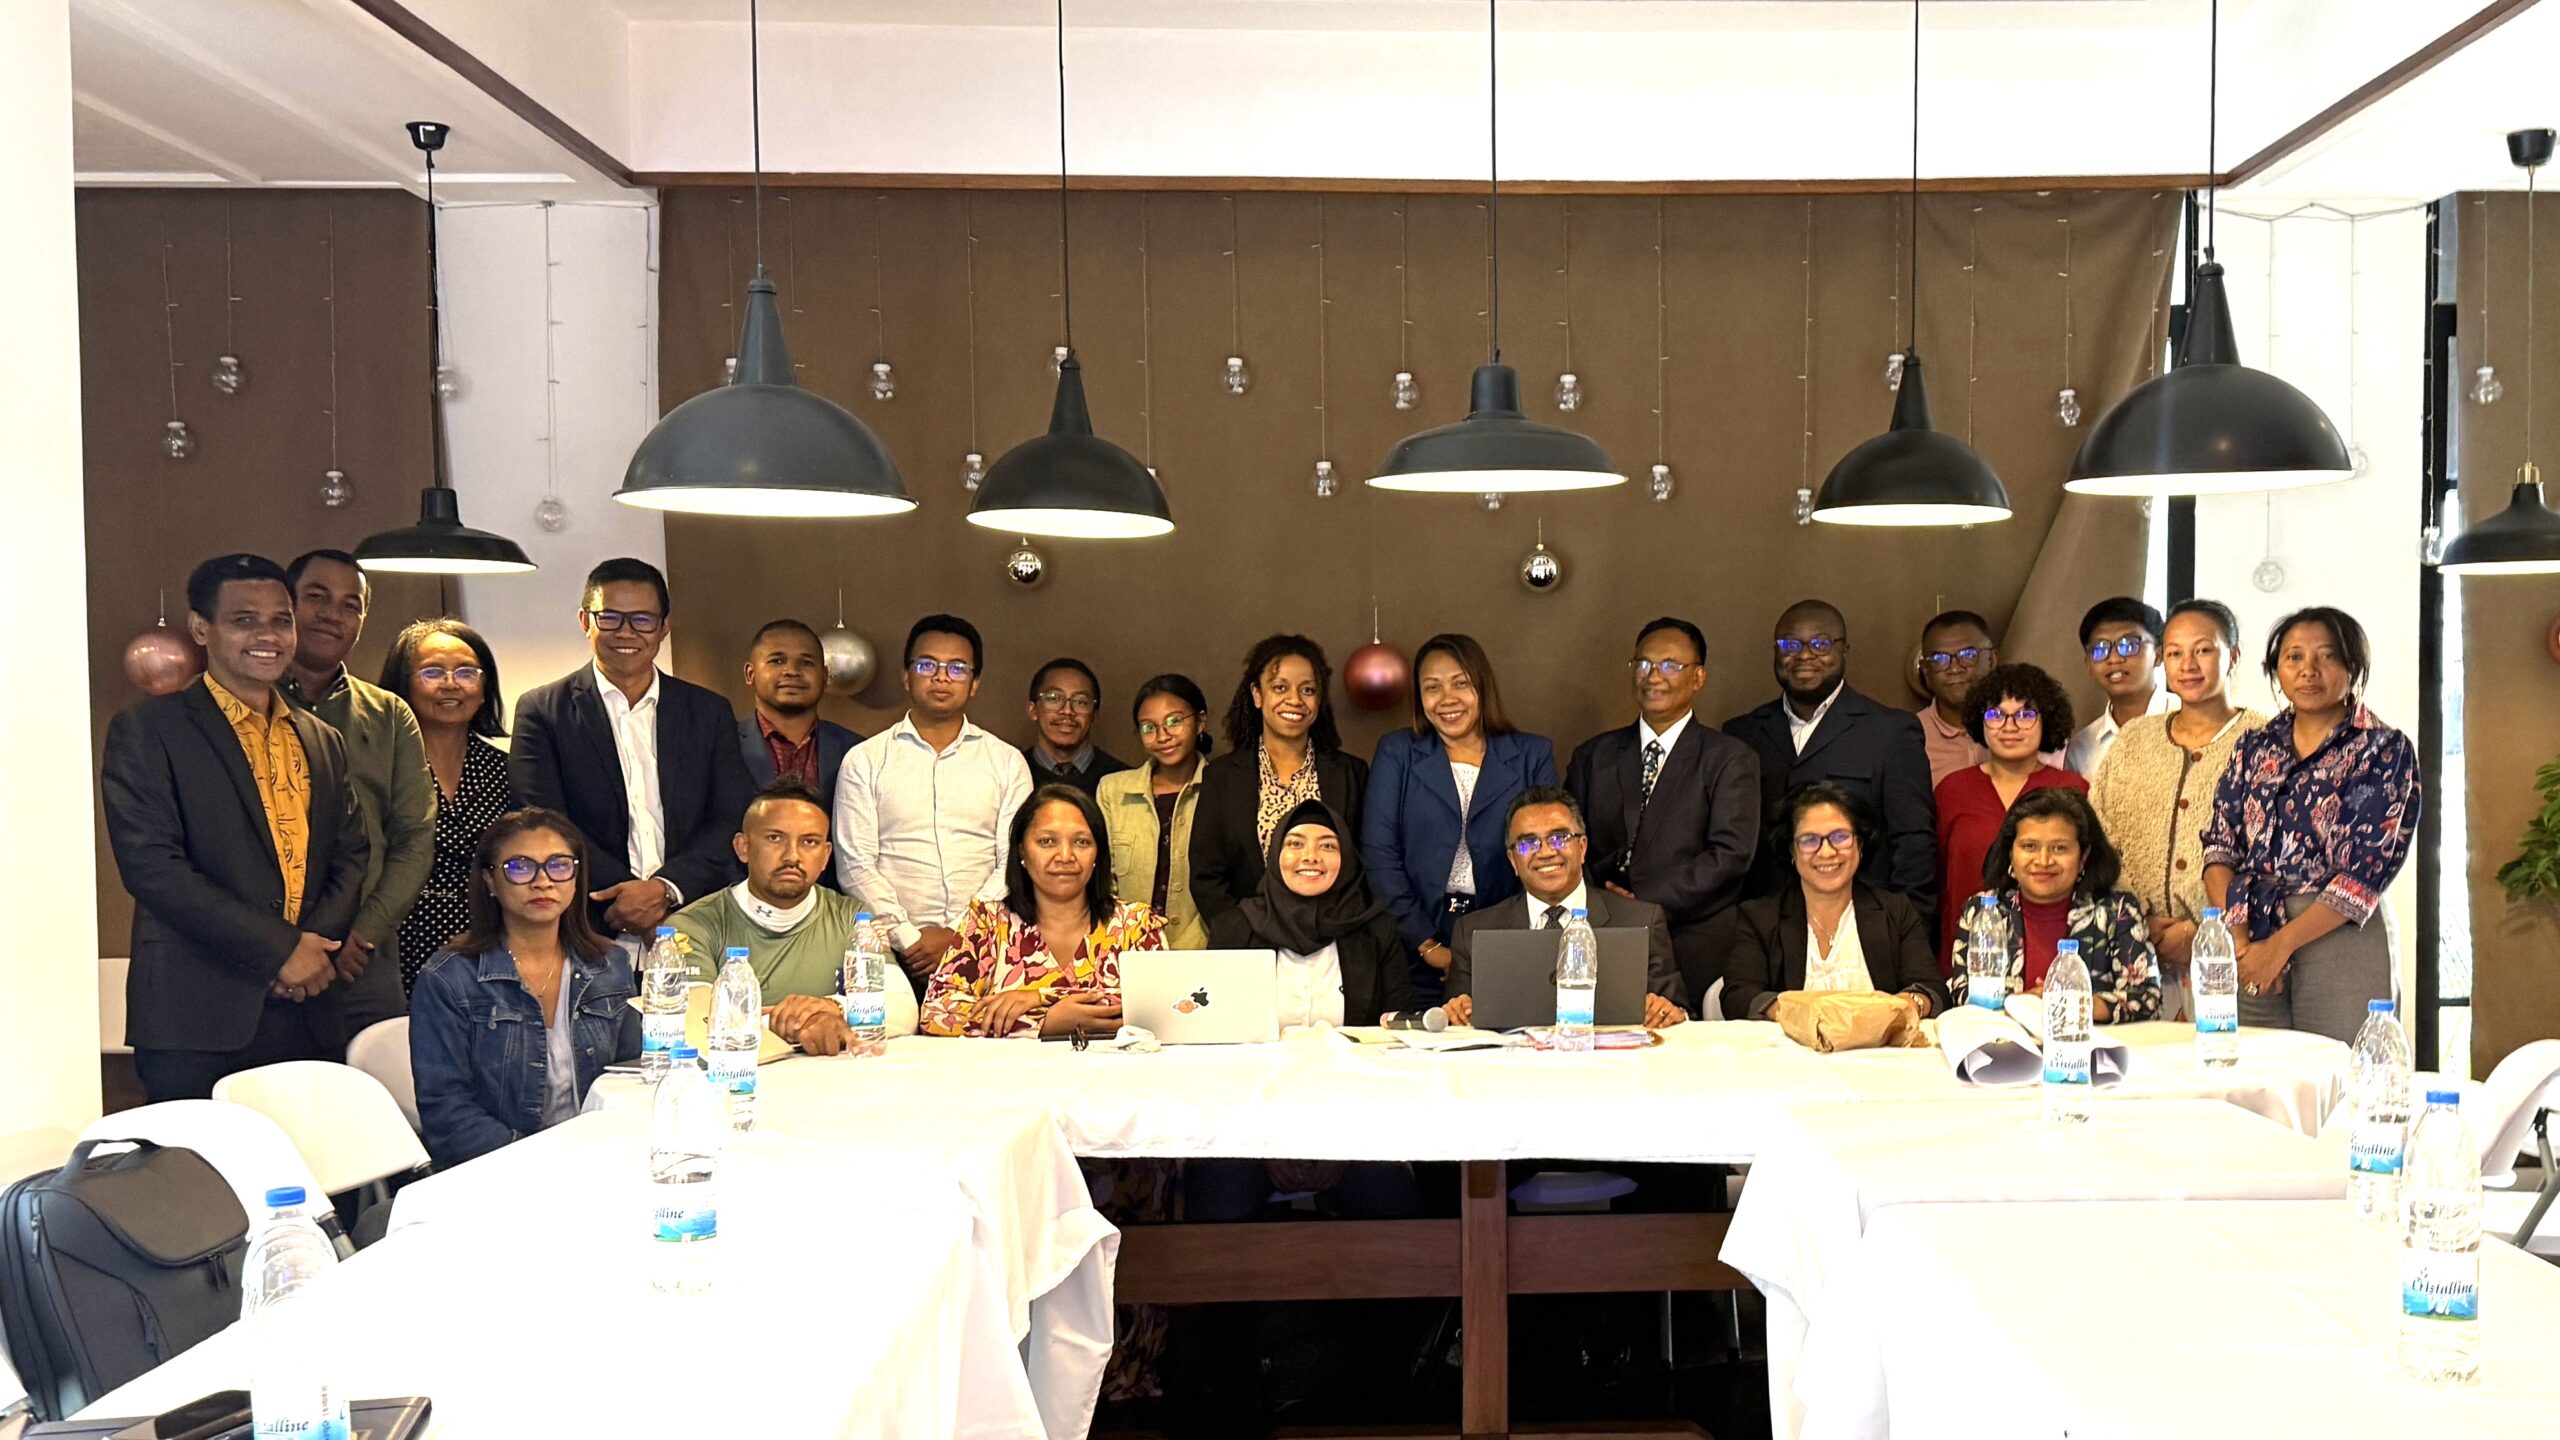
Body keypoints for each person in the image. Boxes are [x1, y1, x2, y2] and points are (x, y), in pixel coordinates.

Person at [102, 554, 372, 1101]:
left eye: (280, 620)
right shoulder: (150, 730)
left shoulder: (322, 739)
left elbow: (351, 854)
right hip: (199, 1014)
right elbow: (153, 868)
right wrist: (280, 951)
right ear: (201, 627)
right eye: (244, 620)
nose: (267, 636)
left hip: (309, 1007)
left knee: (315, 1157)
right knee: (202, 1159)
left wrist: (310, 953)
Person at [2202, 606, 2419, 1043]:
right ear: (2276, 669)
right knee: (2254, 1073)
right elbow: (2220, 847)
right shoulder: (2254, 746)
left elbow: (2364, 872)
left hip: (2337, 930)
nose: (2309, 670)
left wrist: (2280, 947)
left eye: (2328, 656)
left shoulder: (2382, 749)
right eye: (2294, 657)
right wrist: (2240, 941)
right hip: (2248, 925)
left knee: (2341, 1068)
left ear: (2353, 667)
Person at [511, 558, 755, 939]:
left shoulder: (709, 712)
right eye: (610, 618)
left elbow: (731, 815)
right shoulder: (542, 711)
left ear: (665, 627)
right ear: (585, 622)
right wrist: (627, 898)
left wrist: (665, 889)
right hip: (589, 924)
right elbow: (544, 821)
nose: (626, 633)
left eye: (643, 620)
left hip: (692, 920)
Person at [408, 808, 640, 1170]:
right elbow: (447, 1115)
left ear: (576, 878)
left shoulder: (610, 964)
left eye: (559, 866)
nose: (543, 881)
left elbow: (634, 1075)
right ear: (490, 881)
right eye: (519, 867)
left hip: (602, 1159)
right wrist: (542, 1162)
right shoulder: (449, 978)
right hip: (501, 1168)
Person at [1565, 616, 1760, 1012]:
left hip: (1694, 939)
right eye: (1644, 664)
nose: (1653, 676)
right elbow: (1569, 842)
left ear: (1699, 677)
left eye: (1670, 665)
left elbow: (1730, 854)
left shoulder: (1729, 758)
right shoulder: (1594, 755)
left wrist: (1642, 902)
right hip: (1604, 936)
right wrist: (1605, 903)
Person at [277, 548, 436, 1035]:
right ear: (286, 603)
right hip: (262, 959)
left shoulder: (389, 714)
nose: (333, 614)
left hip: (361, 960)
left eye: (351, 605)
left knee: (376, 1080)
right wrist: (280, 947)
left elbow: (414, 838)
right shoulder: (245, 706)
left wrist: (363, 934)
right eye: (317, 597)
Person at [835, 613, 1035, 998]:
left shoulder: (1007, 762)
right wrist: (908, 939)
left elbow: (1012, 861)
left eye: (957, 668)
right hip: (893, 955)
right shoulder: (865, 760)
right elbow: (855, 865)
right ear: (906, 677)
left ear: (975, 684)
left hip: (986, 950)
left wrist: (960, 935)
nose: (942, 678)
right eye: (927, 665)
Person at [2086, 599, 2267, 1022]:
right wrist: (2136, 923)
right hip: (2136, 955)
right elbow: (2101, 834)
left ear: (2233, 655)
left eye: (2203, 650)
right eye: (2174, 652)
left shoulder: (2266, 739)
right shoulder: (2135, 739)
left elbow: (2275, 858)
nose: (2188, 665)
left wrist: (2205, 930)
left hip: (2233, 954)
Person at [1364, 633, 1559, 1003]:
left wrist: (1501, 948)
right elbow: (1379, 854)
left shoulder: (1531, 754)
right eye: (1432, 687)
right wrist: (1427, 945)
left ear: (1482, 687)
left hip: (1509, 944)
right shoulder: (1398, 752)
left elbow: (1546, 854)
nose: (1447, 699)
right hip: (1411, 943)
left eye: (1460, 683)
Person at [1721, 600, 1936, 917]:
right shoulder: (1742, 733)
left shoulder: (1891, 731)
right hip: (1764, 925)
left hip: (1863, 923)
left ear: (1844, 650)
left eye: (1821, 644)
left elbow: (1914, 842)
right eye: (1790, 645)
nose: (1805, 655)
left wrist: (1908, 928)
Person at [672, 778, 919, 1051]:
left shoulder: (853, 918)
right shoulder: (692, 926)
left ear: (825, 856)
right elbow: (692, 1026)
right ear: (743, 847)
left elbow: (905, 1011)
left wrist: (833, 1008)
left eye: (809, 842)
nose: (792, 856)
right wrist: (797, 1024)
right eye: (774, 838)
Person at [919, 784, 1164, 1038]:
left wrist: (1040, 997)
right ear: (1022, 851)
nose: (1065, 856)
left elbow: (1163, 1006)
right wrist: (1043, 1023)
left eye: (1081, 842)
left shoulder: (1135, 924)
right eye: (1047, 842)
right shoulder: (988, 923)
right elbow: (936, 1011)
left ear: (1097, 853)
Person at [1444, 787, 1687, 1028]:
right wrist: (1456, 1013)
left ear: (1582, 848)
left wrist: (1668, 1013)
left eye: (1559, 838)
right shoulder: (1473, 932)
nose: (1546, 852)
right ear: (1513, 860)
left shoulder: (1641, 921)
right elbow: (1458, 1024)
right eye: (1528, 843)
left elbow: (1678, 1015)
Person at [1191, 635, 1370, 942]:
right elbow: (1206, 876)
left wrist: (1334, 933)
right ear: (1257, 695)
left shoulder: (1351, 773)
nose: (1295, 700)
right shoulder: (1222, 777)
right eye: (1280, 687)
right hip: (1248, 946)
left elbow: (1364, 869)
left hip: (1334, 942)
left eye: (1308, 690)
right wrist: (1241, 935)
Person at [1722, 783, 1947, 1021]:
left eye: (1840, 837)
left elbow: (1933, 989)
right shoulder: (1759, 917)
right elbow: (1737, 997)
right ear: (1791, 850)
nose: (1827, 852)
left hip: (1879, 1043)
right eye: (1810, 840)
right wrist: (1791, 1012)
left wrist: (1912, 1003)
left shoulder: (1896, 911)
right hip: (1791, 1043)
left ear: (1860, 844)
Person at [379, 618, 517, 994]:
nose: (451, 684)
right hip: (397, 941)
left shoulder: (506, 770)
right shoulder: (380, 766)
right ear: (403, 684)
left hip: (491, 941)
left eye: (466, 672)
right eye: (433, 672)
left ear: (485, 687)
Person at [1947, 787, 2161, 1022]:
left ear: (2083, 856)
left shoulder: (2118, 911)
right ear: (2010, 853)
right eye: (2029, 846)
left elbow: (2145, 998)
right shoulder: (1983, 910)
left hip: (2089, 1042)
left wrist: (2067, 1004)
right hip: (2002, 1040)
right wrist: (2024, 1006)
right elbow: (1961, 992)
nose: (2044, 860)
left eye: (2059, 848)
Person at [1933, 663, 2085, 965]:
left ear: (2047, 720)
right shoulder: (1952, 789)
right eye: (1996, 715)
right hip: (1966, 951)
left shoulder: (2072, 790)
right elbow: (1935, 879)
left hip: (2054, 955)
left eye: (2025, 715)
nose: (2009, 726)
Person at [1227, 800, 1413, 1028]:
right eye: (1295, 844)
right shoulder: (1235, 927)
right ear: (1275, 854)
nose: (1311, 856)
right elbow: (1216, 1025)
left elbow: (1398, 1028)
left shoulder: (1377, 930)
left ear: (1347, 858)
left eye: (1327, 846)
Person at [1097, 674, 1213, 949]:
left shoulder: (1221, 787)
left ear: (1200, 722)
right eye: (1149, 727)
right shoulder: (1113, 790)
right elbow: (1102, 878)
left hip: (1204, 951)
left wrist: (1188, 948)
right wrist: (1129, 939)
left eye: (1174, 721)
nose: (1162, 736)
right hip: (1126, 949)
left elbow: (1227, 884)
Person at [737, 618, 862, 838]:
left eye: (806, 662)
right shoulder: (723, 744)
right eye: (777, 661)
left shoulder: (856, 751)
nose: (792, 671)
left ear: (824, 677)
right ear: (750, 674)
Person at [2065, 597, 2172, 778]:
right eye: (2100, 649)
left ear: (2158, 654)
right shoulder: (2080, 749)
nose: (2114, 659)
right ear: (2088, 665)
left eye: (2129, 645)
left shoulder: (2191, 717)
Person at [1912, 609, 2003, 788]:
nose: (1954, 669)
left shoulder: (2022, 726)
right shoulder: (1910, 737)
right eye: (1939, 659)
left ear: (1991, 660)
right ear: (1926, 671)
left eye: (1968, 655)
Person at [1021, 657, 1128, 797]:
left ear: (1094, 715)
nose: (1067, 711)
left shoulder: (1122, 780)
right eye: (1054, 698)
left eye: (1081, 702)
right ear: (1033, 710)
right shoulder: (1012, 773)